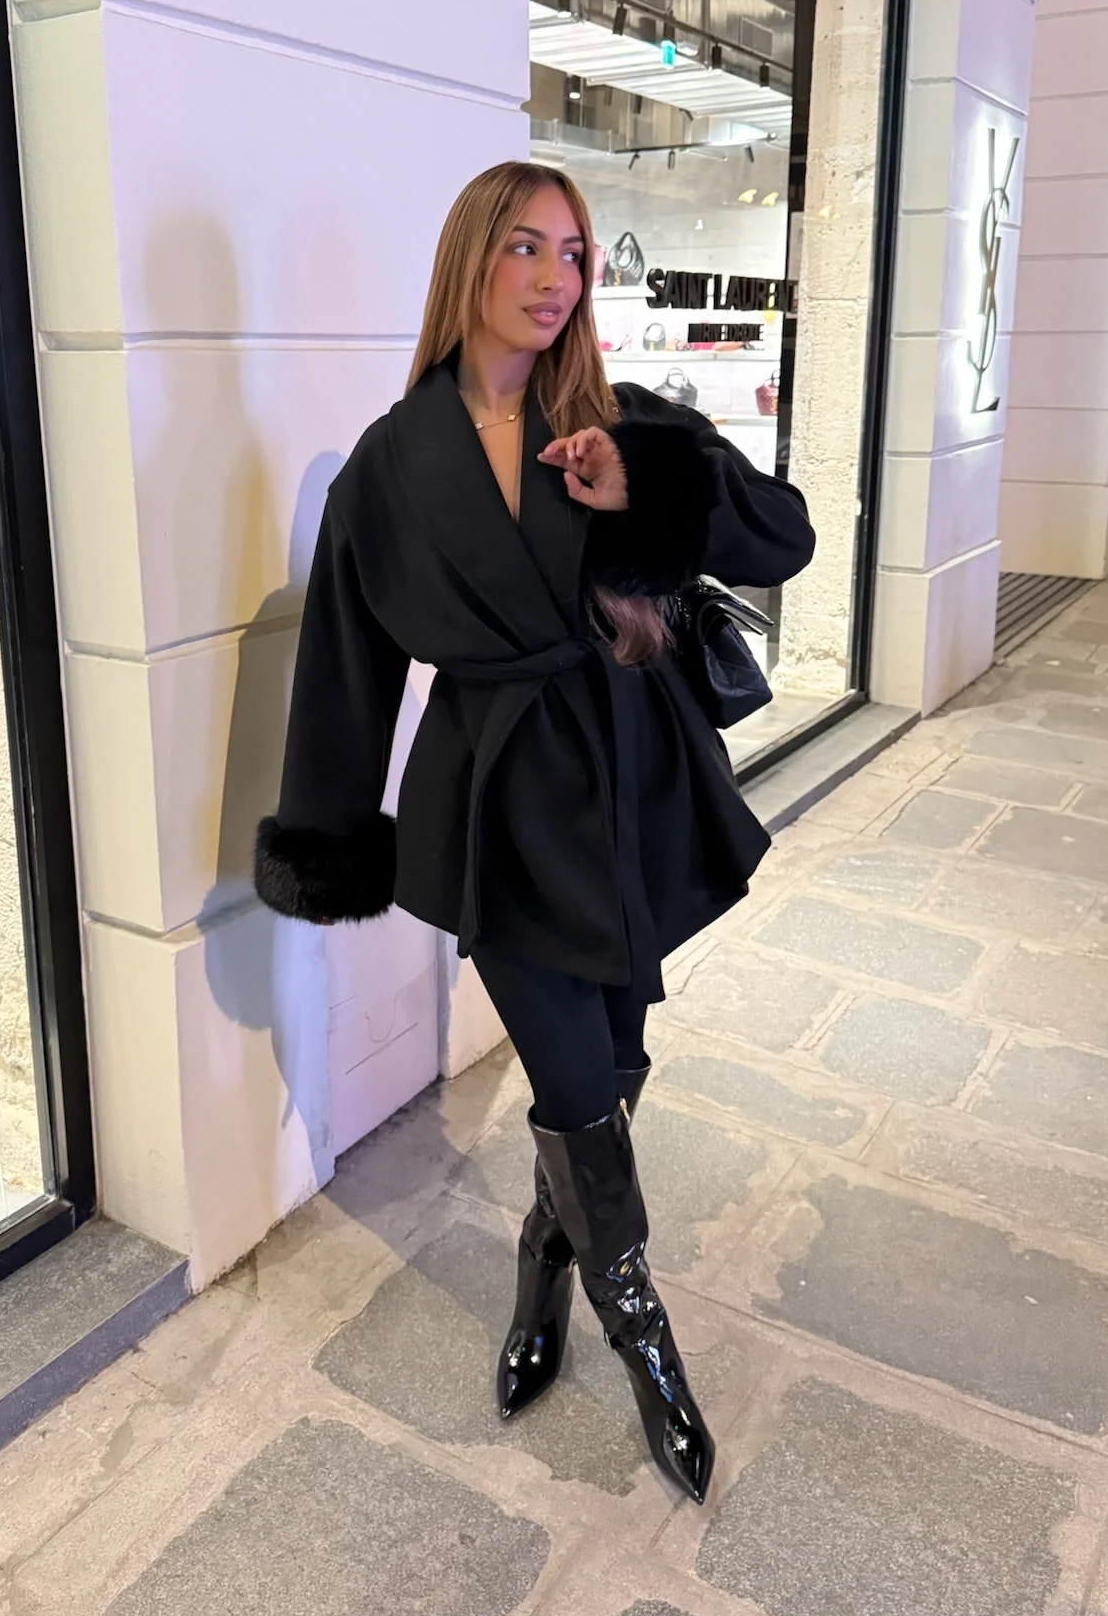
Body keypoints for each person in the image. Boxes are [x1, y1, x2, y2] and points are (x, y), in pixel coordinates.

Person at [254, 161, 815, 1504]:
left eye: (572, 252)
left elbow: (783, 539)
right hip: (499, 800)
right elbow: (345, 667)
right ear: (470, 262)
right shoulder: (390, 468)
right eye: (525, 246)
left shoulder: (623, 424)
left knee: (614, 1058)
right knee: (569, 1076)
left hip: (632, 778)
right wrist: (330, 830)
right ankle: (644, 1340)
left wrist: (649, 489)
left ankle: (542, 1257)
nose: (555, 276)